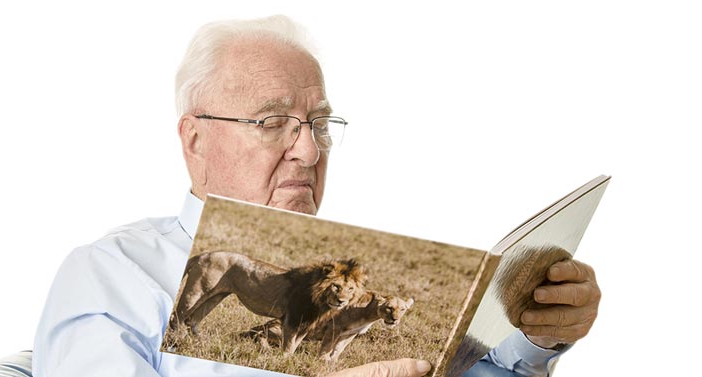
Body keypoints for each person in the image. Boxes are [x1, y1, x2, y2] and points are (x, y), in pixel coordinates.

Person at [32, 15, 601, 377]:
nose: (308, 150)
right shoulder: (112, 274)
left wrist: (534, 337)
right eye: (272, 121)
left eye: (320, 123)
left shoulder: (339, 269)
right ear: (196, 138)